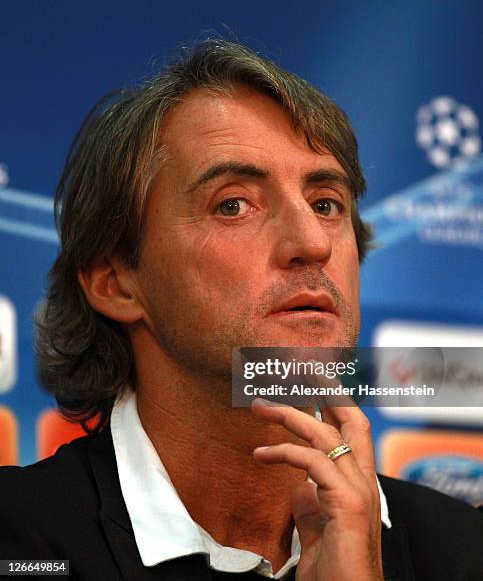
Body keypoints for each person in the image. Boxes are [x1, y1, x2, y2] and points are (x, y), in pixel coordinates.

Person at [0, 40, 482, 581]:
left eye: (326, 204)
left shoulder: (464, 551)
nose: (311, 242)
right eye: (233, 205)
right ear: (117, 283)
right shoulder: (17, 541)